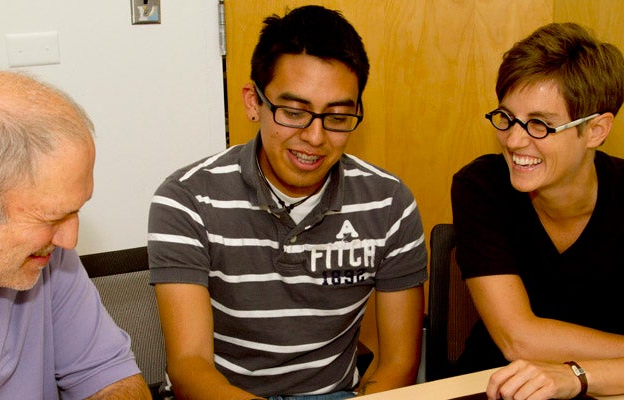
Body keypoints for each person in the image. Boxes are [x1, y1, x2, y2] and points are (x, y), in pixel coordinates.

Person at [148, 5, 427, 399]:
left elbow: (398, 362)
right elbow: (190, 366)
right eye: (294, 112)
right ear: (253, 102)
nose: (314, 137)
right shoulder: (187, 198)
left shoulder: (389, 203)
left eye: (337, 116)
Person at [451, 22, 624, 399]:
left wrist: (578, 376)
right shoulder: (481, 185)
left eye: (540, 125)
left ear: (597, 130)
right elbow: (519, 340)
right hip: (496, 385)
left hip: (623, 391)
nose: (514, 140)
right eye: (506, 118)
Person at [0, 71, 151, 400]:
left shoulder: (48, 260)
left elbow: (112, 380)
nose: (69, 239)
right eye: (52, 217)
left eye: (76, 211)